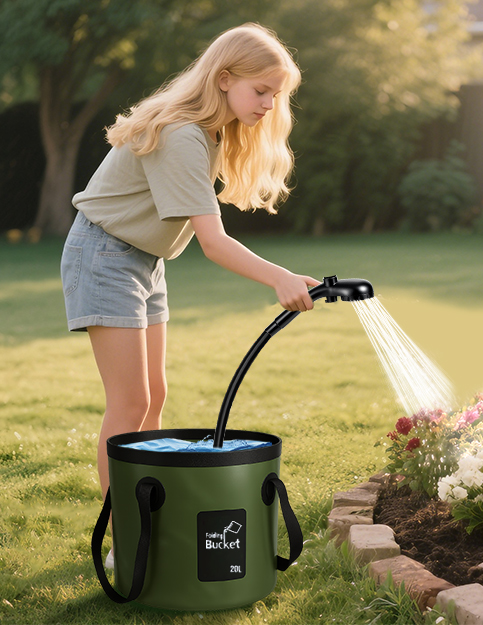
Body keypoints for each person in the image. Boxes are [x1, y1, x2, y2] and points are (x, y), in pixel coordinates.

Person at [61, 23, 318, 569]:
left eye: (276, 95)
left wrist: (288, 275)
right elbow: (213, 243)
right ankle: (127, 541)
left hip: (143, 260)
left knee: (153, 396)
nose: (269, 104)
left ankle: (147, 521)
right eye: (261, 90)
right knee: (130, 402)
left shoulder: (210, 133)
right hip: (105, 255)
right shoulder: (182, 134)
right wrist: (278, 277)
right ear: (224, 79)